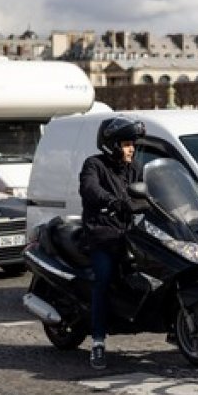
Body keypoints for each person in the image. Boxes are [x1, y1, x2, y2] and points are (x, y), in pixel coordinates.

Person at [78, 116, 145, 370]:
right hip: (102, 234)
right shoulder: (93, 165)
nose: (132, 149)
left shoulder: (135, 168)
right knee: (103, 280)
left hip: (129, 234)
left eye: (132, 144)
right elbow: (90, 189)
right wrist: (112, 201)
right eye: (127, 144)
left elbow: (147, 191)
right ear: (113, 144)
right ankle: (97, 342)